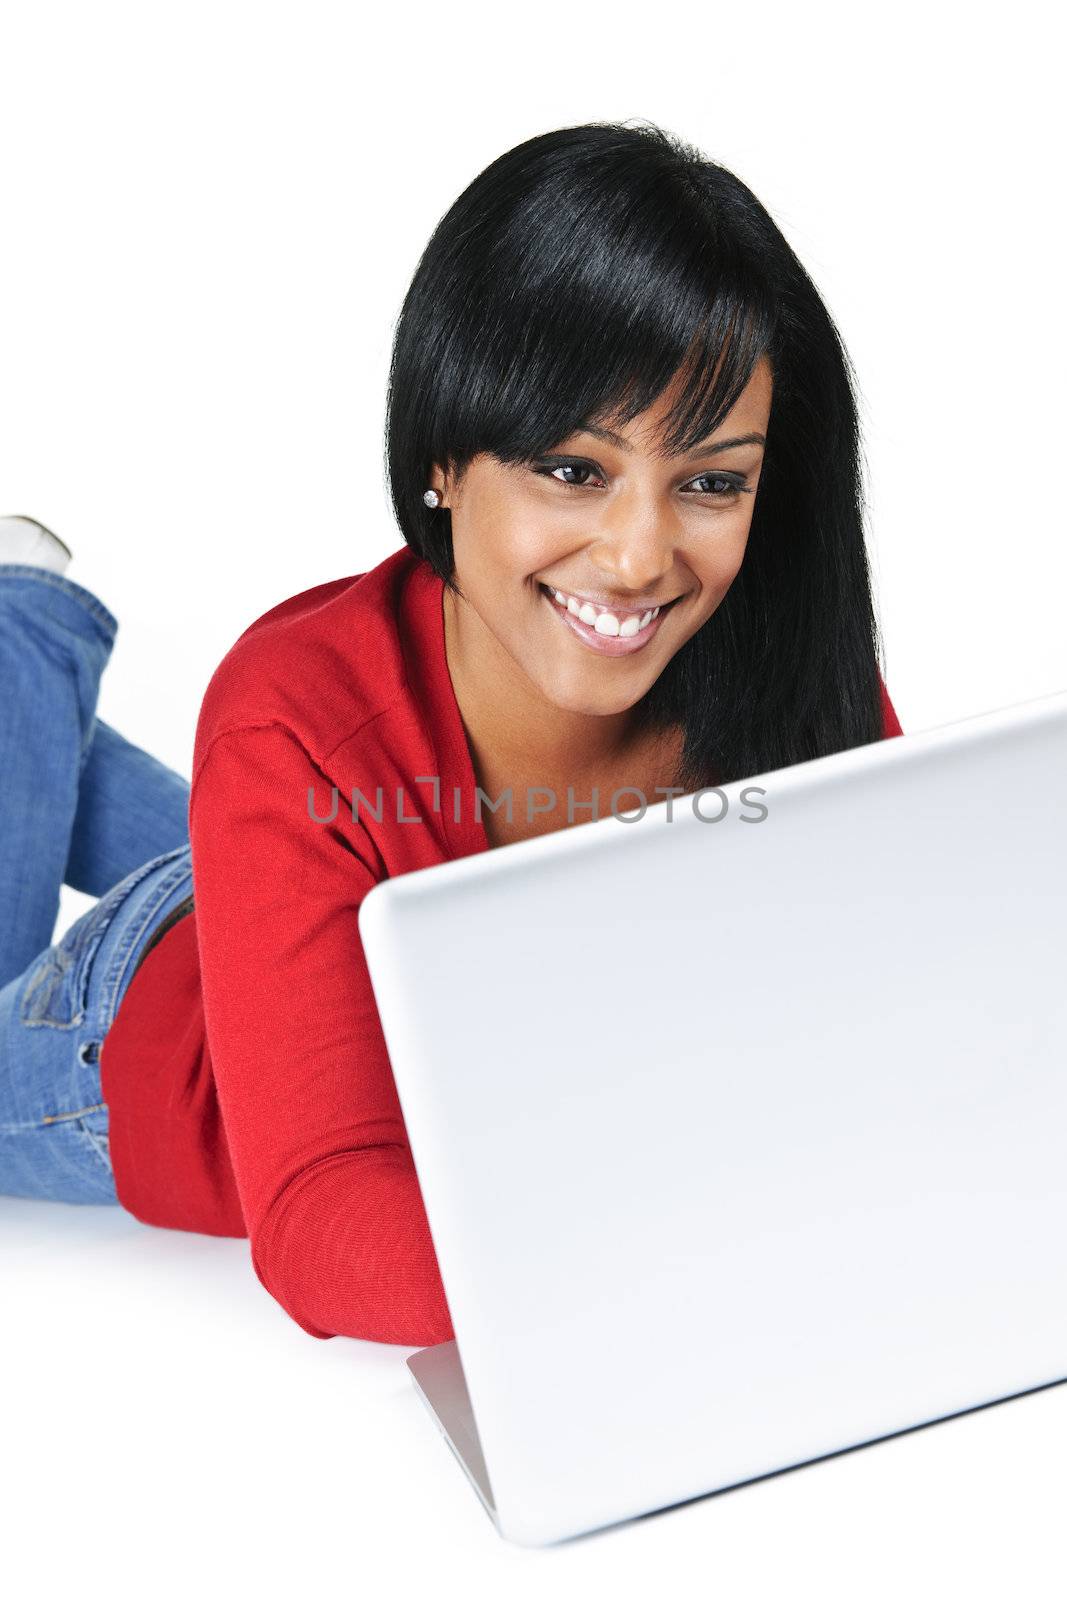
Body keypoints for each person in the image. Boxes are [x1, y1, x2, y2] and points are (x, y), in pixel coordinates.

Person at [0, 119, 904, 1348]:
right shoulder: (295, 711)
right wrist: (693, 1261)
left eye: (711, 480)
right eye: (572, 471)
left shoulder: (790, 664)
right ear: (441, 458)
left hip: (324, 860)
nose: (641, 559)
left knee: (273, 808)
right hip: (155, 1036)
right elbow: (320, 1223)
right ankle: (26, 634)